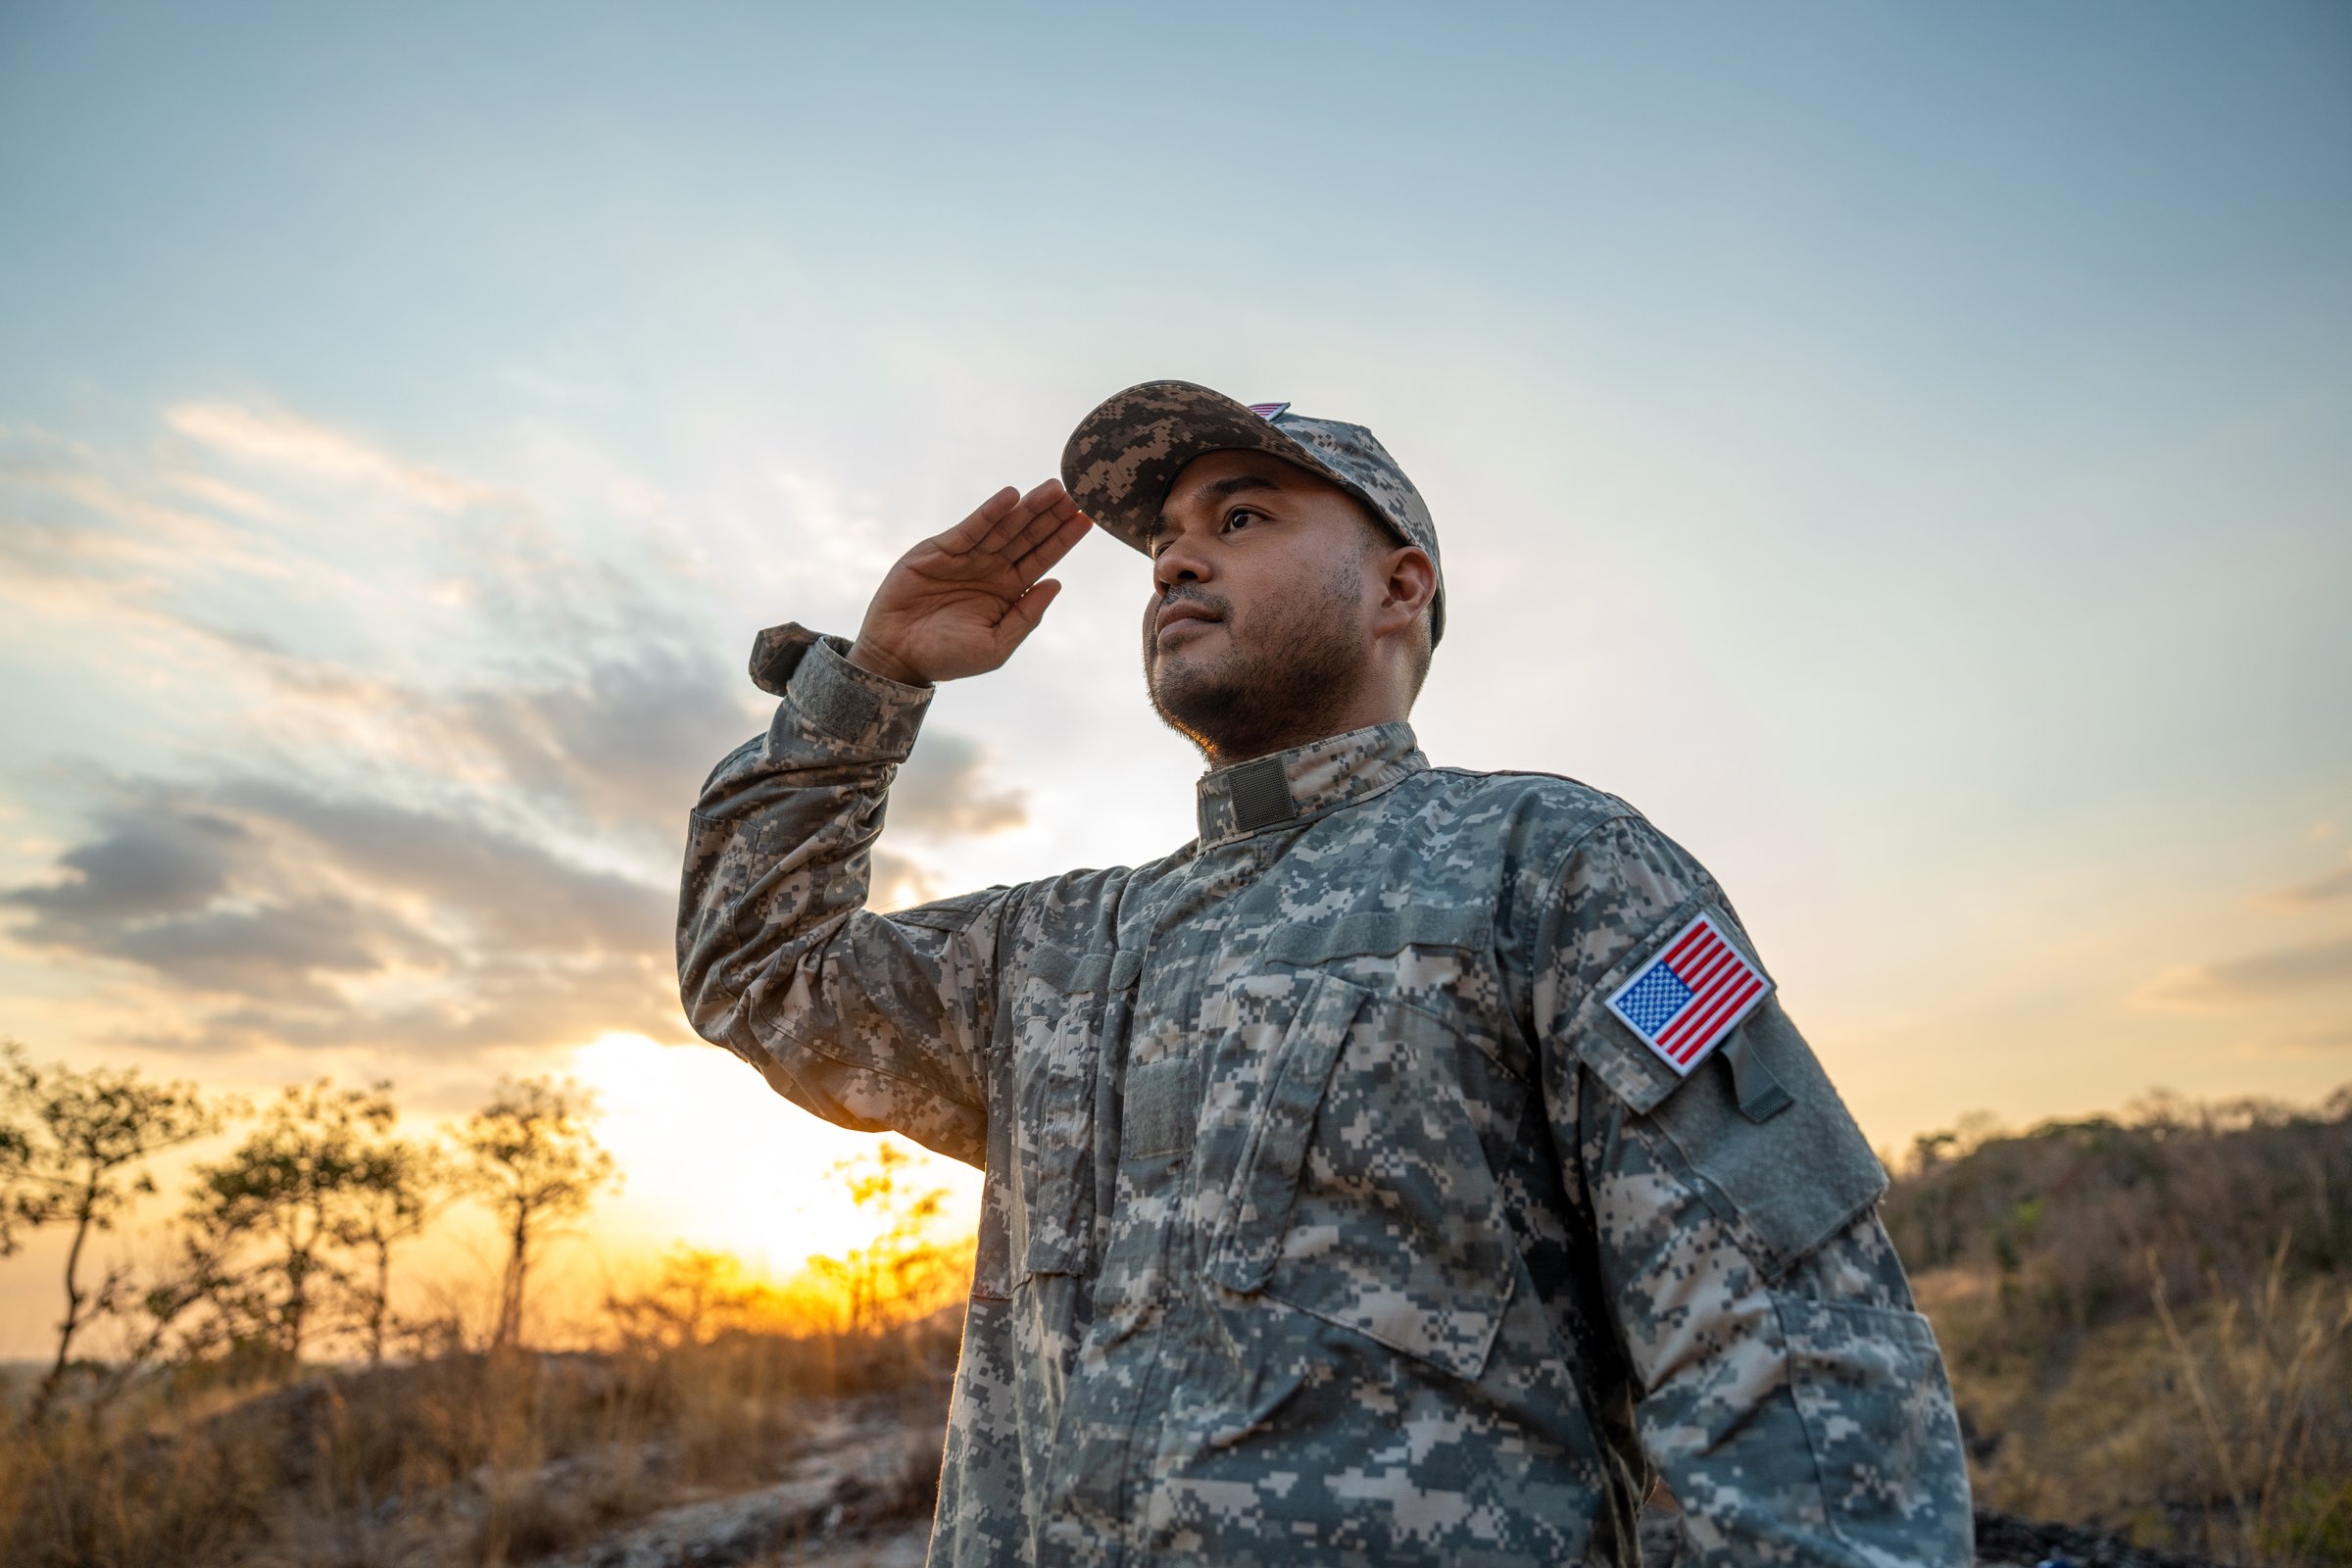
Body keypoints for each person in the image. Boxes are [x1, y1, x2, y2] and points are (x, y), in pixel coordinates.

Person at [677, 380, 1973, 1566]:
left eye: (1241, 516)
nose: (1177, 556)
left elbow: (1786, 1348)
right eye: (1167, 539)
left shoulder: (1555, 870)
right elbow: (761, 971)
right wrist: (869, 685)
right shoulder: (1054, 953)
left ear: (1399, 588)